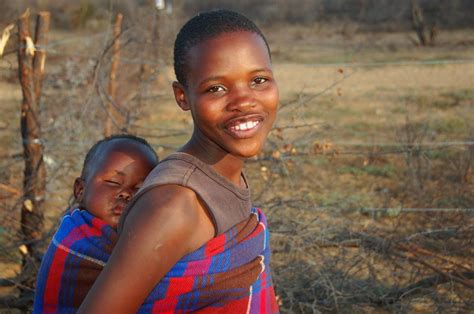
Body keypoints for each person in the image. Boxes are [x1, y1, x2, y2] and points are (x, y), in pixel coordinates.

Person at [80, 9, 280, 313]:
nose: (243, 101)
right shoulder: (174, 205)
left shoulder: (223, 177)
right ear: (182, 96)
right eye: (216, 88)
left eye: (259, 80)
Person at [34, 135, 159, 313]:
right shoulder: (75, 242)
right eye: (113, 182)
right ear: (80, 190)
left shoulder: (132, 235)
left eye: (139, 189)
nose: (126, 194)